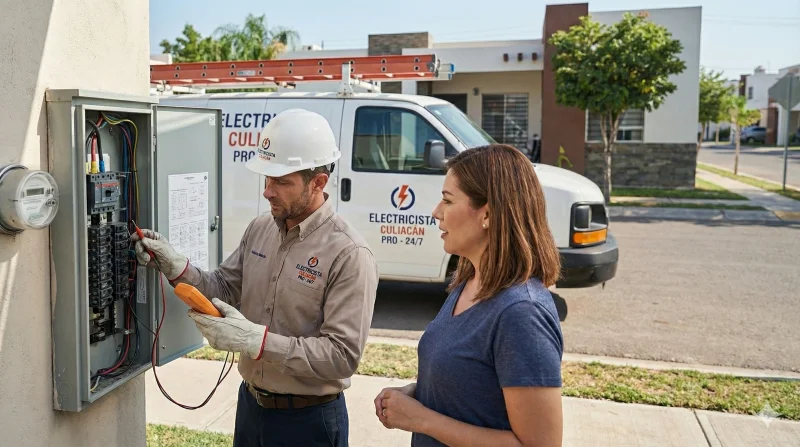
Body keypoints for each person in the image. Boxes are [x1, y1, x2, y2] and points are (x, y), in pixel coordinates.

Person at [133, 108, 379, 447]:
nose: (267, 192)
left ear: (318, 182)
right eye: (266, 179)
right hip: (251, 408)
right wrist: (176, 266)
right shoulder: (261, 228)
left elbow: (341, 357)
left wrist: (258, 342)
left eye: (281, 182)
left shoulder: (349, 253)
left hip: (309, 422)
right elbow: (223, 288)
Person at [373, 144, 564, 446]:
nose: (436, 212)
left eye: (448, 200)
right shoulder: (469, 281)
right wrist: (418, 395)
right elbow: (474, 388)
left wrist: (421, 419)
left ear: (487, 214)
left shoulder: (522, 313)